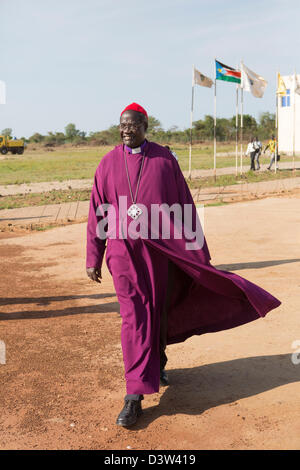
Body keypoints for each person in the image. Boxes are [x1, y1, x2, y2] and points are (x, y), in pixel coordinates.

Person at [86, 102, 281, 427]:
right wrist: (93, 255)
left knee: (160, 309)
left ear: (146, 125)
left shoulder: (164, 160)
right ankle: (134, 395)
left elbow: (183, 204)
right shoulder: (107, 164)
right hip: (122, 254)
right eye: (122, 125)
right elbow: (98, 211)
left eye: (133, 125)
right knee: (133, 316)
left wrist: (197, 251)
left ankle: (157, 359)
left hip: (160, 252)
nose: (126, 130)